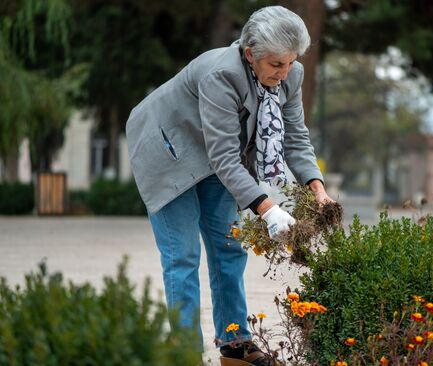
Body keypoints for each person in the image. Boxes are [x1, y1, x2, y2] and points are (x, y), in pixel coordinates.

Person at [125, 6, 333, 365]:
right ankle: (186, 353)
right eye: (275, 65)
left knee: (229, 247)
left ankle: (235, 345)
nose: (284, 74)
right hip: (166, 151)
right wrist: (268, 209)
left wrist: (319, 191)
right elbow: (225, 158)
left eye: (289, 63)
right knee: (183, 257)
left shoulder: (291, 74)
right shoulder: (221, 74)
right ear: (250, 54)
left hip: (215, 156)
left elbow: (296, 138)